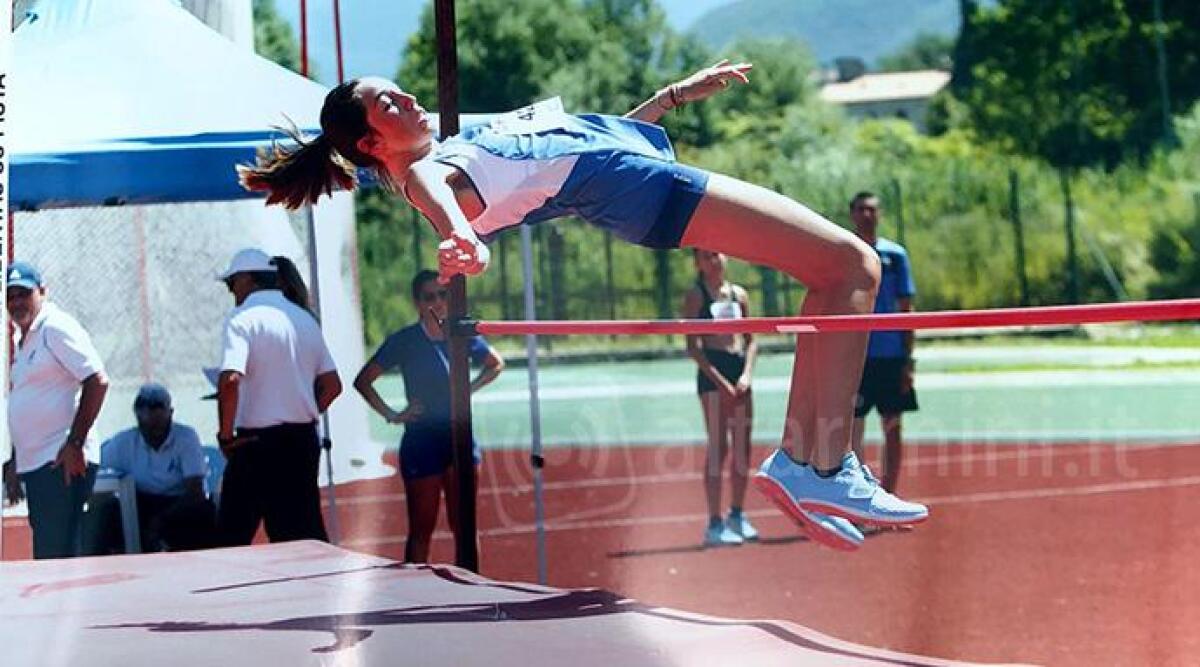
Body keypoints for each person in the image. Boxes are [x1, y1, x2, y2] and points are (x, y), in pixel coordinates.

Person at [237, 61, 928, 550]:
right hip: (650, 193)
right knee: (852, 265)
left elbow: (579, 147)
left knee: (835, 275)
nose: (408, 97)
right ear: (369, 143)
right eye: (389, 104)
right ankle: (821, 463)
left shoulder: (457, 145)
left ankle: (808, 459)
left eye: (398, 90)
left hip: (639, 176)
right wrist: (461, 242)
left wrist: (669, 99)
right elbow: (442, 204)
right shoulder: (426, 170)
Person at [353, 269, 505, 563]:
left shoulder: (461, 335)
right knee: (422, 528)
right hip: (421, 441)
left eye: (443, 294)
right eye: (429, 296)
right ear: (417, 302)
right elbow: (363, 381)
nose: (437, 301)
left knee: (465, 526)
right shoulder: (405, 340)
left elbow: (495, 363)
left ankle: (473, 594)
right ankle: (416, 596)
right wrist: (392, 415)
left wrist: (468, 388)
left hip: (459, 436)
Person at [215, 248, 343, 545]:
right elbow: (333, 385)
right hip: (302, 441)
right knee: (301, 537)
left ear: (246, 279)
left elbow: (231, 379)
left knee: (231, 539)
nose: (232, 291)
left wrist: (225, 435)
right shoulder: (304, 319)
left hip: (256, 444)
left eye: (231, 283)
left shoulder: (241, 319)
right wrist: (302, 408)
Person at [4, 260, 108, 559]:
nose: (16, 302)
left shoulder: (55, 327)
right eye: (10, 295)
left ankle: (73, 608)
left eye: (24, 293)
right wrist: (15, 462)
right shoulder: (22, 339)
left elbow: (97, 381)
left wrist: (75, 443)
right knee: (50, 554)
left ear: (43, 292)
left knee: (58, 557)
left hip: (62, 461)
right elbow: (28, 401)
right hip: (37, 465)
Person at [682, 250, 758, 547]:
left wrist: (746, 375)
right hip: (712, 373)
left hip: (738, 372)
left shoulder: (739, 295)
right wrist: (721, 383)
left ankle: (737, 514)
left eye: (717, 255)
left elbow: (752, 340)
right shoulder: (696, 295)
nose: (714, 261)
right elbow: (693, 347)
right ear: (698, 263)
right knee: (719, 445)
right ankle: (714, 523)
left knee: (742, 446)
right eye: (707, 257)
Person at [88, 383, 217, 553]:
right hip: (142, 504)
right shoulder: (123, 442)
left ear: (170, 413)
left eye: (158, 413)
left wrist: (160, 521)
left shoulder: (186, 437)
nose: (154, 429)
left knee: (203, 512)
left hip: (179, 503)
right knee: (107, 513)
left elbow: (195, 492)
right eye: (147, 423)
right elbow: (96, 469)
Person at [848, 192, 918, 495]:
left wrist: (908, 359)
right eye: (861, 209)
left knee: (892, 427)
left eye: (872, 209)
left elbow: (907, 308)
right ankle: (859, 494)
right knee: (851, 430)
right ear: (851, 213)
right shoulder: (843, 252)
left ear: (880, 214)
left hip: (890, 355)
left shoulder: (895, 255)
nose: (867, 215)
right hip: (853, 356)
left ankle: (889, 494)